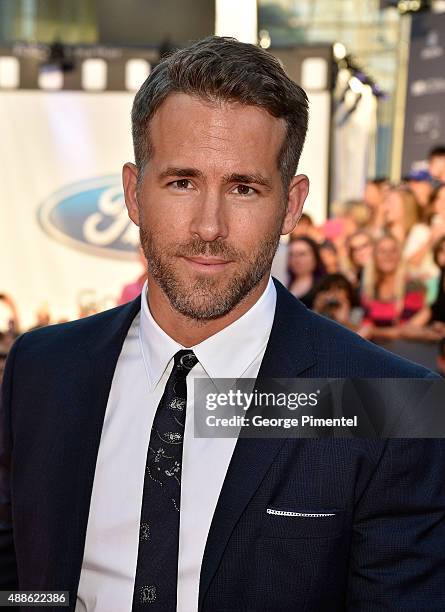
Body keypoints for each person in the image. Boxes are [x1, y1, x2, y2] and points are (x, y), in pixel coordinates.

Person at [1, 36, 444, 612]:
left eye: (244, 187)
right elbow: (21, 578)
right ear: (134, 193)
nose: (209, 226)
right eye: (182, 181)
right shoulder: (43, 369)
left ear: (290, 204)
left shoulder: (389, 404)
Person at [360, 234, 426, 341]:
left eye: (393, 251)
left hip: (404, 351)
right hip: (374, 349)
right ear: (374, 256)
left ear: (399, 255)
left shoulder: (412, 286)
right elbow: (365, 323)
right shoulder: (369, 287)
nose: (388, 255)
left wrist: (373, 331)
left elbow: (407, 330)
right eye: (382, 251)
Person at [287, 235, 326, 308]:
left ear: (315, 257)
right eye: (291, 255)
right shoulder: (284, 282)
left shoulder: (324, 286)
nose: (296, 260)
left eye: (302, 254)